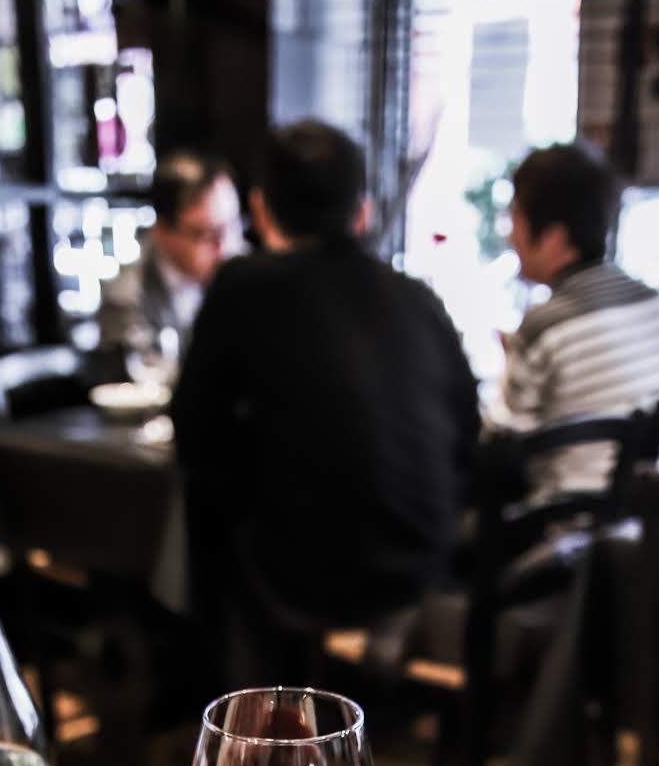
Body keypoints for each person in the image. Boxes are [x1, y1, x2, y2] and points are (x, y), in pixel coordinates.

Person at [172, 120, 481, 672]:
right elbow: (467, 432)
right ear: (361, 209)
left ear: (260, 207)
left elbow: (193, 432)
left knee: (217, 531)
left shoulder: (243, 286)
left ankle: (241, 708)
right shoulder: (416, 297)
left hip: (309, 582)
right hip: (425, 565)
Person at [489, 141, 659, 492]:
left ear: (554, 238)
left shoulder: (546, 325)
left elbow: (498, 445)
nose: (511, 237)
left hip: (579, 517)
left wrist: (510, 367)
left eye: (516, 218)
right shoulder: (651, 300)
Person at [99, 152, 240, 363]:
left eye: (233, 226)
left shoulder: (251, 277)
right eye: (207, 234)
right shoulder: (125, 298)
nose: (225, 248)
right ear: (161, 231)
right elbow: (147, 376)